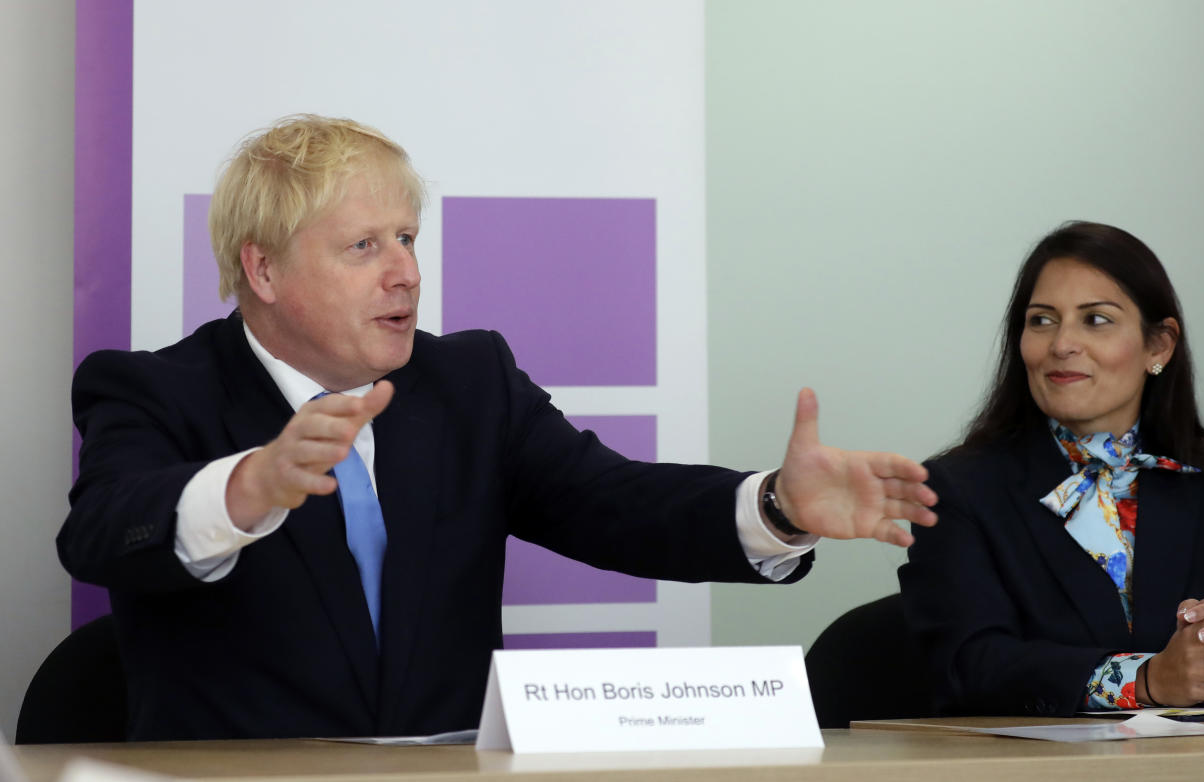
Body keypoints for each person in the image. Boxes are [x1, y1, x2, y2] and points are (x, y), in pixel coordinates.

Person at [58, 114, 937, 740]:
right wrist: (248, 487)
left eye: (407, 237)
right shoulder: (151, 389)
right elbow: (101, 533)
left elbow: (612, 501)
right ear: (264, 269)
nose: (405, 272)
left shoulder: (465, 381)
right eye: (364, 246)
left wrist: (777, 506)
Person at [899, 221, 1204, 717]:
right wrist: (1144, 680)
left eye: (1096, 320)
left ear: (1158, 346)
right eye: (1042, 320)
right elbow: (967, 664)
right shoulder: (957, 490)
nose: (1062, 344)